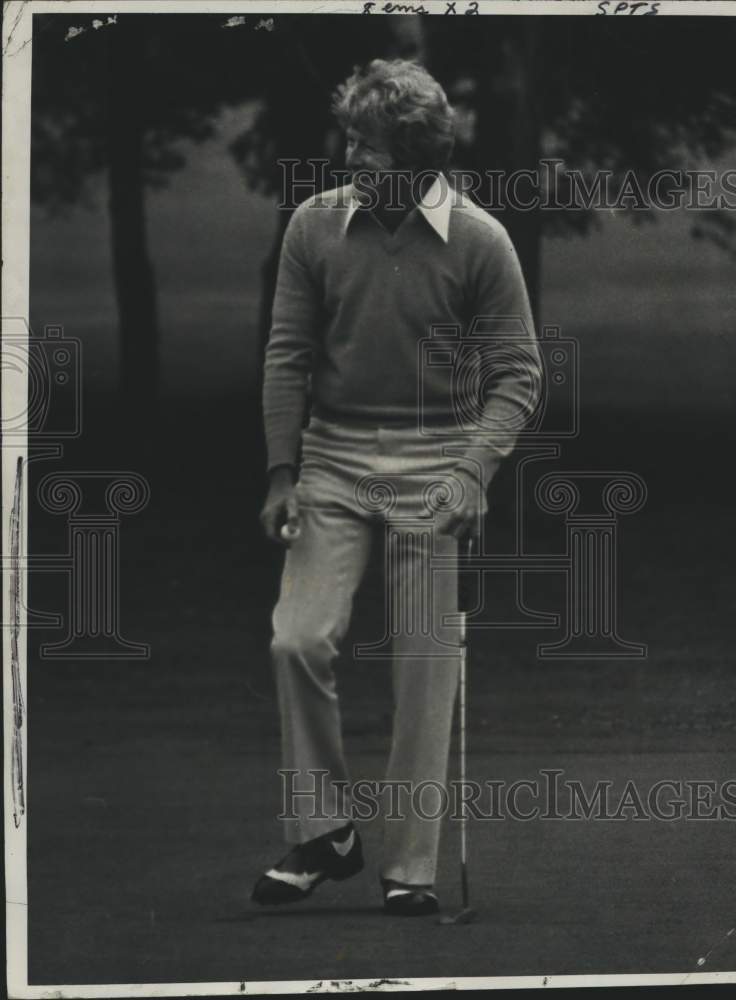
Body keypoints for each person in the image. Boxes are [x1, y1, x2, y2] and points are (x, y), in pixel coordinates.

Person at [252, 58, 543, 916]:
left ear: (414, 156)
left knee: (424, 665)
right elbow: (287, 357)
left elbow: (518, 375)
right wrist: (280, 471)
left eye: (366, 146)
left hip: (435, 462)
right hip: (332, 458)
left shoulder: (481, 241)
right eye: (348, 139)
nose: (350, 158)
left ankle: (408, 869)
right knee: (295, 640)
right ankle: (324, 831)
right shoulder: (314, 226)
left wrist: (473, 470)